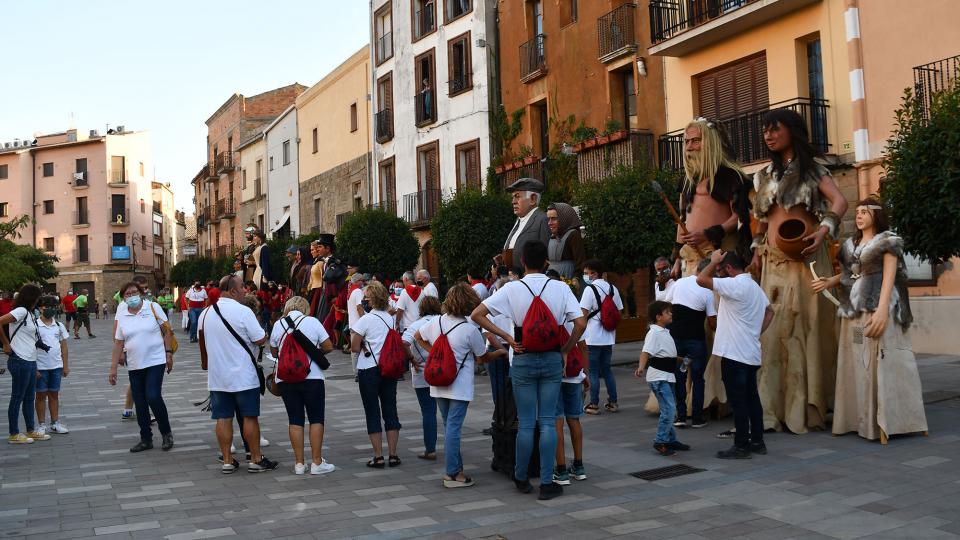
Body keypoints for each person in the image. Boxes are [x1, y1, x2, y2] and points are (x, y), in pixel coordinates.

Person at [752, 108, 848, 433]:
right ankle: (773, 409)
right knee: (773, 332)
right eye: (765, 131)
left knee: (809, 328)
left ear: (792, 131)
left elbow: (839, 201)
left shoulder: (813, 170)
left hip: (808, 259)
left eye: (775, 129)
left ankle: (812, 406)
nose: (768, 135)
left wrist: (822, 232)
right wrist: (755, 252)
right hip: (774, 263)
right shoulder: (764, 175)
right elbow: (762, 220)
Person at [472, 240, 586, 501]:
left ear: (522, 262)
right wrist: (566, 349)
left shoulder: (513, 288)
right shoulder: (559, 287)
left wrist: (507, 338)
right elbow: (579, 322)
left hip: (522, 357)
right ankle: (547, 482)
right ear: (547, 262)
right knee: (547, 421)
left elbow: (477, 314)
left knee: (525, 422)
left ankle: (521, 476)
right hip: (551, 359)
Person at [813, 198, 928, 443]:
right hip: (853, 310)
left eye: (864, 212)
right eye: (857, 212)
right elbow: (848, 274)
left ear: (876, 215)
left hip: (878, 308)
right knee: (854, 364)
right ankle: (856, 420)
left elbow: (890, 276)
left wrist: (883, 309)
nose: (859, 216)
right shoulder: (850, 244)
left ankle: (887, 422)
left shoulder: (888, 240)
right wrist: (828, 282)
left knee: (882, 363)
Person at [416, 283, 502, 488]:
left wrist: (434, 352)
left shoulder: (435, 322)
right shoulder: (469, 330)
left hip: (438, 381)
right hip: (459, 385)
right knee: (453, 428)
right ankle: (452, 473)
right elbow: (482, 359)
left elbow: (418, 337)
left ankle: (458, 469)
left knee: (449, 427)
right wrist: (499, 353)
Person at [697, 251, 775, 459]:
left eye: (722, 269)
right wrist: (756, 332)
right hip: (750, 351)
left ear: (729, 268)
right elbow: (770, 312)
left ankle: (741, 445)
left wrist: (713, 261)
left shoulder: (734, 285)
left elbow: (701, 279)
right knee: (752, 399)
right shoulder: (754, 287)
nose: (720, 273)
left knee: (738, 401)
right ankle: (757, 442)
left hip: (734, 353)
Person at [199, 275, 277, 473]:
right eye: (243, 288)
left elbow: (202, 344)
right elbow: (260, 340)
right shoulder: (243, 312)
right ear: (233, 291)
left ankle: (227, 460)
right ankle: (256, 459)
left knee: (223, 418)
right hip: (243, 375)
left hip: (218, 377)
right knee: (250, 417)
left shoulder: (206, 313)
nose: (246, 291)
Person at [670, 117, 753, 279]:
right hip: (691, 260)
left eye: (696, 141)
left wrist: (708, 234)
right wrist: (677, 258)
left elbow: (740, 217)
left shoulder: (731, 177)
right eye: (686, 142)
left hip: (720, 259)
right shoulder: (687, 181)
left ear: (710, 142)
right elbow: (682, 220)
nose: (689, 147)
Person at [269, 296, 336, 475]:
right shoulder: (313, 322)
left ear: (288, 308)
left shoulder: (278, 324)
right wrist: (313, 354)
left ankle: (299, 464)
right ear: (305, 308)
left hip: (287, 379)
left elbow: (274, 352)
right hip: (312, 377)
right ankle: (316, 462)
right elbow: (328, 346)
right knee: (316, 418)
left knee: (295, 419)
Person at [109, 282, 175, 452]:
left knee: (153, 396)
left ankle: (166, 433)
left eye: (134, 292)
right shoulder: (123, 313)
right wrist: (113, 368)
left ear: (141, 293)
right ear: (123, 298)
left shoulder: (152, 307)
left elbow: (167, 331)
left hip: (155, 360)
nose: (131, 296)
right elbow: (118, 342)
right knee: (139, 401)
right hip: (134, 363)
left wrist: (168, 353)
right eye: (127, 294)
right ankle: (146, 438)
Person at [350, 281, 403, 469]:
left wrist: (364, 341)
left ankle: (379, 456)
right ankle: (394, 455)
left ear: (371, 299)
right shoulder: (390, 319)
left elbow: (355, 347)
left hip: (369, 369)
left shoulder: (365, 320)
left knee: (372, 411)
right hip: (388, 368)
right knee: (390, 409)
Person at [665, 259, 717, 428]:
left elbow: (667, 305)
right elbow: (712, 323)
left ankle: (680, 416)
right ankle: (697, 417)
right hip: (695, 341)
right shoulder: (708, 292)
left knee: (679, 377)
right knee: (697, 378)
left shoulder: (679, 283)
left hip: (677, 339)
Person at [635, 301, 691, 456]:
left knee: (669, 409)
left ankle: (670, 439)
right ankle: (660, 441)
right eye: (667, 312)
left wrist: (683, 360)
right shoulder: (653, 333)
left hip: (667, 376)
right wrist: (641, 367)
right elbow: (646, 352)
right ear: (658, 317)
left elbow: (668, 355)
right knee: (669, 409)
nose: (671, 314)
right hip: (658, 378)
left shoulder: (665, 332)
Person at [0, 284, 50, 444]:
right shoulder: (21, 311)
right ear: (31, 297)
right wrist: (6, 344)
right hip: (19, 359)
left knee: (29, 397)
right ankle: (14, 433)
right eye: (37, 296)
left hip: (29, 360)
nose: (38, 300)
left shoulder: (29, 314)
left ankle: (30, 430)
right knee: (17, 397)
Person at [579, 259, 624, 415]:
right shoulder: (613, 288)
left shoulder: (589, 290)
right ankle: (613, 402)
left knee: (593, 372)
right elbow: (619, 311)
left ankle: (593, 404)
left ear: (594, 273)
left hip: (592, 337)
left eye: (586, 273)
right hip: (609, 337)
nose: (585, 275)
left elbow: (583, 315)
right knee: (607, 370)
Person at [402, 295, 442, 461]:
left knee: (428, 411)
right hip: (444, 370)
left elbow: (403, 342)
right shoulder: (443, 322)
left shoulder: (415, 325)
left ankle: (430, 449)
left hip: (422, 372)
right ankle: (453, 444)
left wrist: (411, 359)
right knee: (448, 412)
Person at [553, 318, 588, 485]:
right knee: (574, 418)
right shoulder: (574, 316)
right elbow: (583, 347)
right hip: (574, 374)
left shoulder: (548, 314)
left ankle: (561, 470)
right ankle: (579, 466)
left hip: (553, 375)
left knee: (557, 421)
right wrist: (585, 374)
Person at [35, 296, 70, 435]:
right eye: (46, 306)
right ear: (40, 308)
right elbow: (31, 348)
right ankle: (41, 424)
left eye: (52, 307)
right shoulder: (35, 326)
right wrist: (34, 368)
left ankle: (55, 423)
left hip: (56, 366)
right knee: (40, 396)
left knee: (54, 395)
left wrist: (65, 366)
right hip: (40, 367)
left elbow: (64, 347)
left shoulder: (59, 326)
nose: (49, 309)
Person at [500, 179, 550, 270]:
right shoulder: (519, 220)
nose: (513, 201)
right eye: (513, 197)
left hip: (529, 278)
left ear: (533, 199)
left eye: (517, 196)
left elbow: (546, 254)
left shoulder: (542, 219)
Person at [545, 202, 586, 280]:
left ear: (564, 218)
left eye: (553, 218)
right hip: (552, 279)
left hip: (568, 279)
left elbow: (580, 262)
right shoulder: (552, 236)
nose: (549, 223)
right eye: (548, 219)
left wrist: (576, 279)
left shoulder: (573, 235)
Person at [346, 273, 366, 377]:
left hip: (353, 324)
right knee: (361, 349)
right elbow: (359, 307)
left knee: (355, 350)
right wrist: (364, 319)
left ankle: (356, 372)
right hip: (359, 324)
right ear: (358, 281)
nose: (363, 282)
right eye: (362, 280)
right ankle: (359, 372)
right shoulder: (358, 291)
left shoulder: (351, 291)